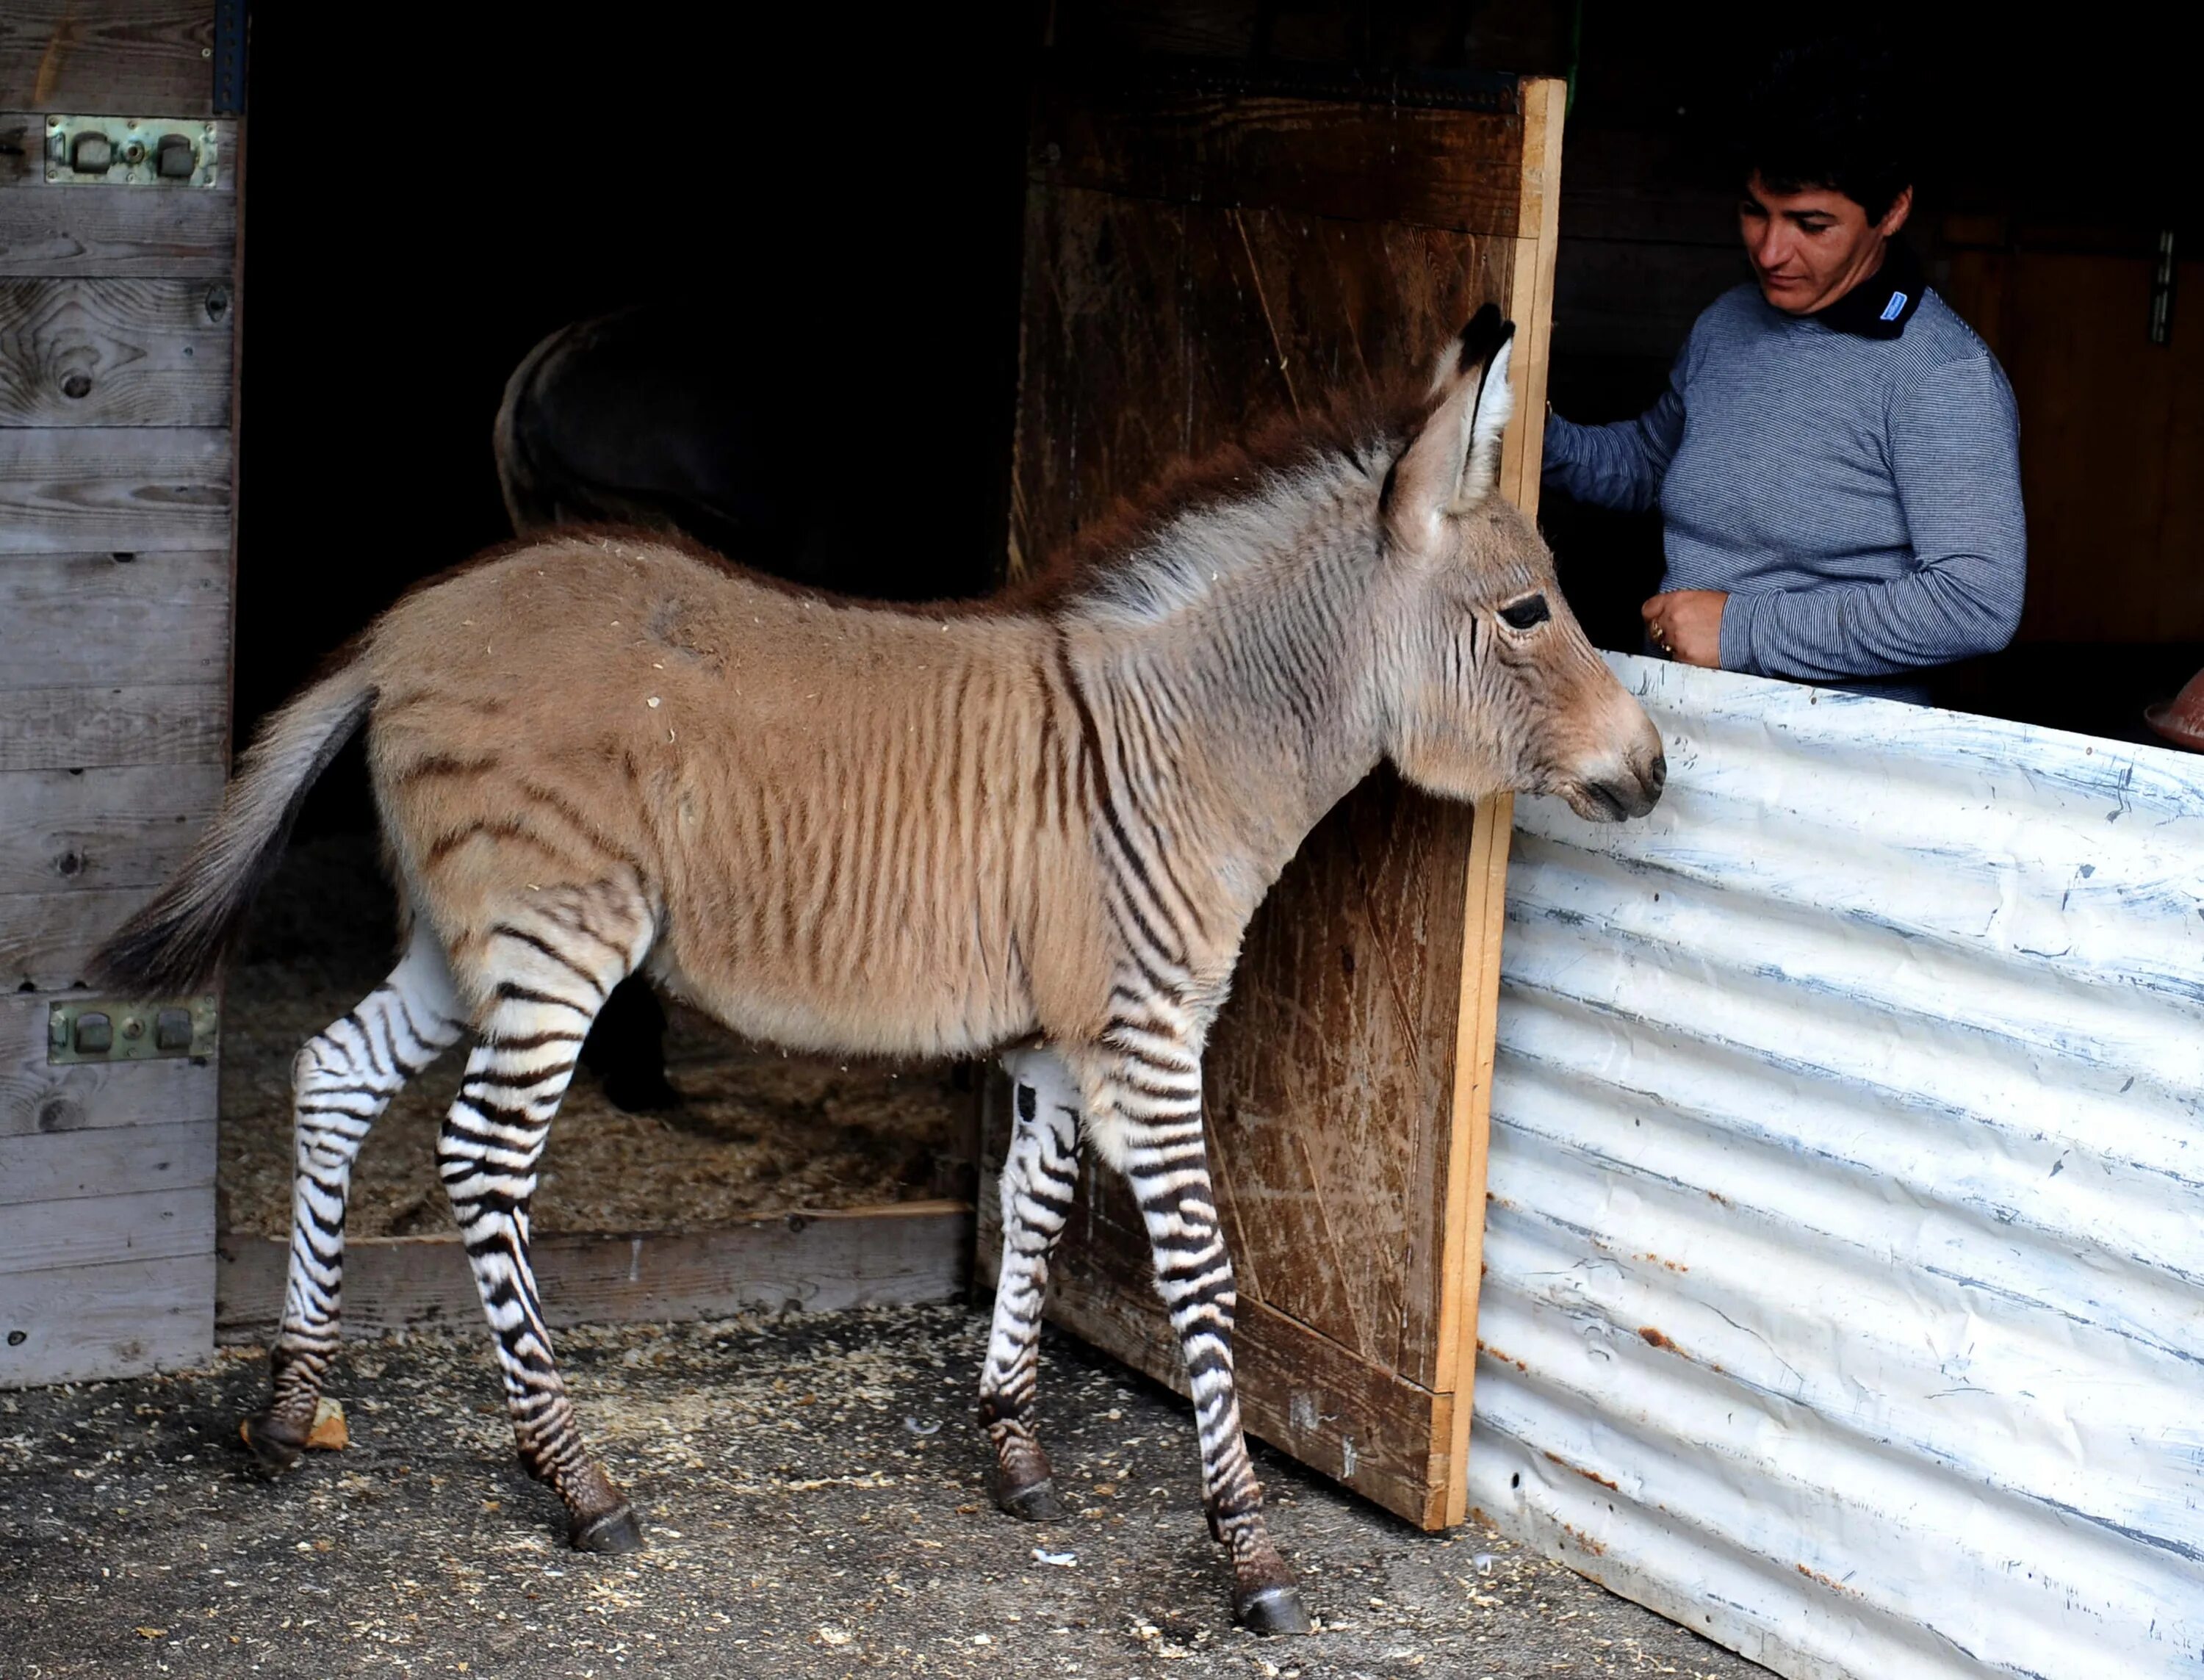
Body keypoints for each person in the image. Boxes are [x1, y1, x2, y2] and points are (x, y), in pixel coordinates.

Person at [1544, 40, 2025, 699]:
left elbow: (1977, 603)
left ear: (1891, 212)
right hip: (1675, 718)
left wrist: (1740, 629)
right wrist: (1531, 436)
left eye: (1810, 223)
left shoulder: (1942, 377)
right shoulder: (1727, 323)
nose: (1771, 250)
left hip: (1834, 754)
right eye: (1755, 212)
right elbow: (1655, 465)